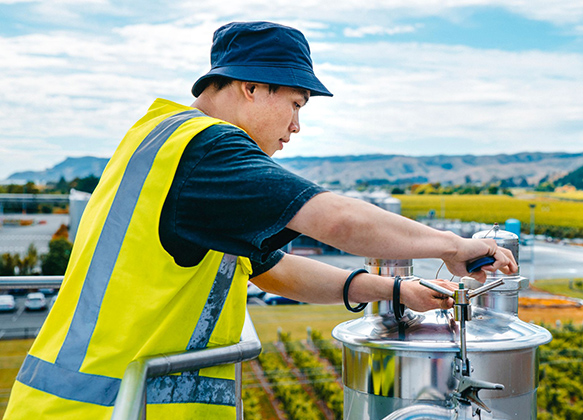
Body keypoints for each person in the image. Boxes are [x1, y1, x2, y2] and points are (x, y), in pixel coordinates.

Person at [3, 21, 516, 419]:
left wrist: (394, 291)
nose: (296, 126)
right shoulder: (207, 148)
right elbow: (333, 220)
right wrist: (452, 245)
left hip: (79, 400)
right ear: (251, 87)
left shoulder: (161, 141)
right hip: (114, 405)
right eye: (295, 104)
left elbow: (269, 269)